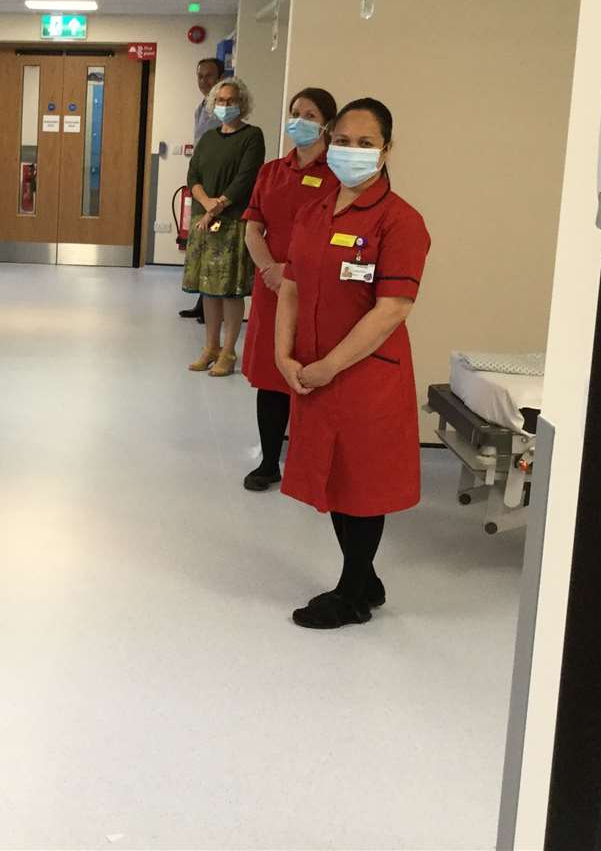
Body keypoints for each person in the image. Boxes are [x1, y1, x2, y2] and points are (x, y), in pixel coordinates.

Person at [275, 98, 431, 629]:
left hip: (365, 375)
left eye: (366, 144)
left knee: (361, 485)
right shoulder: (314, 210)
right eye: (342, 140)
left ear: (387, 150)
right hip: (315, 370)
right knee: (335, 477)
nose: (351, 152)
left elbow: (392, 309)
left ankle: (351, 594)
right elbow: (291, 286)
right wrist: (283, 352)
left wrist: (329, 366)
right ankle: (364, 576)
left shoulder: (400, 221)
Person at [239, 86, 339, 492]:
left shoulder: (338, 176)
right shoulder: (271, 172)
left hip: (316, 290)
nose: (299, 121)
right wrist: (272, 272)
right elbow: (252, 228)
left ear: (327, 125)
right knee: (271, 375)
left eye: (310, 115)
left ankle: (309, 464)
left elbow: (335, 236)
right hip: (271, 288)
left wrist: (292, 273)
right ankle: (269, 461)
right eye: (295, 112)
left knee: (312, 376)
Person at [181, 76, 265, 378]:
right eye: (221, 100)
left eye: (231, 101)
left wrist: (216, 208)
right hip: (205, 220)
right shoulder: (208, 138)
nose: (225, 105)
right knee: (209, 290)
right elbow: (193, 176)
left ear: (242, 104)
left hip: (232, 222)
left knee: (229, 291)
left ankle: (229, 352)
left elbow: (245, 179)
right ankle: (210, 348)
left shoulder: (252, 136)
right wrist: (205, 203)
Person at [180, 57, 225, 322]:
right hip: (200, 184)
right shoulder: (201, 108)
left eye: (210, 76)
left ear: (221, 77)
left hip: (216, 188)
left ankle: (210, 306)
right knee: (200, 244)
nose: (204, 81)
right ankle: (201, 302)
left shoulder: (223, 109)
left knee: (214, 246)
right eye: (200, 76)